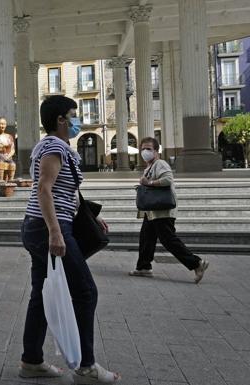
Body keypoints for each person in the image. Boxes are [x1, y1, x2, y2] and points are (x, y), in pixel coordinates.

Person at [20, 95, 120, 383]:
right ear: (61, 120)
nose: (78, 121)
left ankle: (31, 361)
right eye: (73, 116)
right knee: (86, 292)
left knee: (40, 294)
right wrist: (55, 232)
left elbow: (67, 191)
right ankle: (86, 367)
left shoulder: (56, 147)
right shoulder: (54, 147)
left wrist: (90, 214)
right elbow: (44, 189)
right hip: (49, 228)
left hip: (40, 226)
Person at [130, 137, 209, 283]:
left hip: (162, 211)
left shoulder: (160, 163)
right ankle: (143, 267)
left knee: (169, 240)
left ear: (156, 151)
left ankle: (196, 263)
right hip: (153, 211)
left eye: (148, 149)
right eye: (142, 149)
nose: (145, 152)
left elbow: (168, 180)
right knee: (146, 238)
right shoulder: (150, 166)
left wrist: (150, 183)